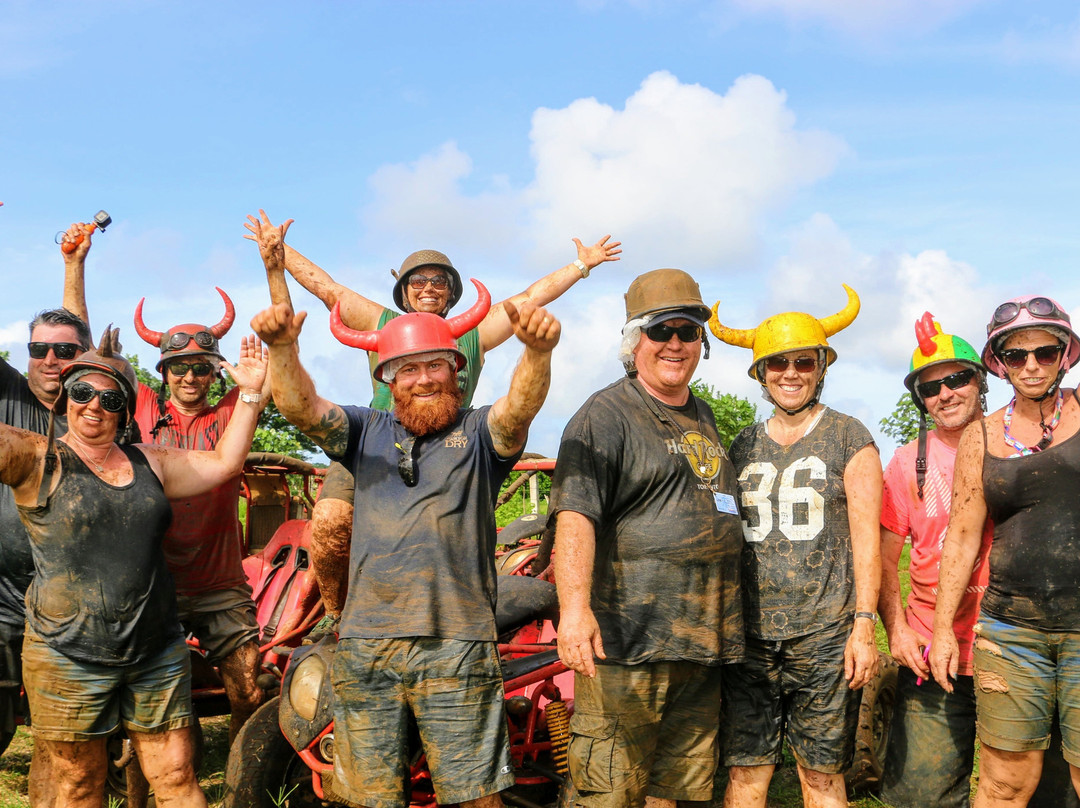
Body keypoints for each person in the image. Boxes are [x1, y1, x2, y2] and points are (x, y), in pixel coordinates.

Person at [249, 213, 559, 808]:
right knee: (369, 797)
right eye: (407, 369)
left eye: (435, 366)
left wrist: (537, 353)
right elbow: (301, 408)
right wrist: (283, 347)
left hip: (457, 643)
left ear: (457, 371)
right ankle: (330, 618)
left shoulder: (478, 435)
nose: (422, 379)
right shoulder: (364, 431)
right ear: (387, 378)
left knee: (475, 797)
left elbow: (519, 409)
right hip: (367, 645)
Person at [244, 211, 619, 621]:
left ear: (451, 292)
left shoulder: (473, 332)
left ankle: (461, 614)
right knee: (331, 520)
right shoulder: (382, 324)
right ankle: (337, 617)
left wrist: (582, 265)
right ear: (403, 293)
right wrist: (279, 254)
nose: (428, 288)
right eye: (417, 281)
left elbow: (530, 298)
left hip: (451, 447)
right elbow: (328, 290)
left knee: (454, 534)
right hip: (374, 447)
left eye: (438, 281)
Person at [0, 326, 267, 808]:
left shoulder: (152, 461)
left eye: (110, 398)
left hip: (155, 650)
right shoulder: (35, 457)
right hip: (67, 654)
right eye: (82, 392)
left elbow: (226, 463)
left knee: (178, 776)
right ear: (65, 399)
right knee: (80, 784)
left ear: (125, 410)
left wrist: (248, 393)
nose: (94, 406)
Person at [550, 268, 745, 808]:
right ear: (634, 340)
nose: (676, 343)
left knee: (674, 793)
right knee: (609, 793)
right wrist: (573, 609)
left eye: (688, 330)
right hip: (626, 649)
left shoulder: (701, 414)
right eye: (662, 330)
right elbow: (575, 514)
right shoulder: (605, 415)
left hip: (699, 648)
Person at [710, 286, 882, 808]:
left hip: (826, 635)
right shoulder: (741, 443)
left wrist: (864, 625)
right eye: (777, 363)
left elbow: (867, 539)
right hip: (751, 637)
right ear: (760, 374)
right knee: (745, 773)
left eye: (803, 362)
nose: (791, 373)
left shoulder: (850, 437)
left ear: (821, 366)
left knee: (822, 776)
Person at [931, 295, 1080, 807]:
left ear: (1065, 353)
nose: (1031, 364)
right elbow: (963, 536)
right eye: (1016, 355)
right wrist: (943, 630)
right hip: (1011, 632)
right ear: (1000, 362)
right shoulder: (981, 435)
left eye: (1044, 351)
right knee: (1003, 783)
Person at [131, 286, 268, 743]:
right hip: (154, 581)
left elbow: (271, 383)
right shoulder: (144, 409)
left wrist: (274, 275)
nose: (189, 377)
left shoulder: (233, 412)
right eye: (179, 368)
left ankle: (242, 778)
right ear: (164, 374)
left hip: (220, 584)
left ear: (215, 375)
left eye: (201, 369)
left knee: (248, 692)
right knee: (146, 698)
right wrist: (76, 266)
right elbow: (86, 362)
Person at [878, 312, 992, 808]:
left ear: (980, 381)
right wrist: (897, 630)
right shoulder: (906, 462)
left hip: (1014, 644)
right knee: (919, 798)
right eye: (930, 388)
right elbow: (885, 560)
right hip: (930, 647)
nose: (945, 394)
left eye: (956, 379)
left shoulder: (1015, 446)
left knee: (1039, 789)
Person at [0, 222, 94, 805]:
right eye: (40, 350)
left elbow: (79, 338)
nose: (52, 360)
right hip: (4, 593)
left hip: (77, 598)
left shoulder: (96, 409)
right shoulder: (6, 393)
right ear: (25, 354)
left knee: (70, 740)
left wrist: (74, 267)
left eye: (64, 352)